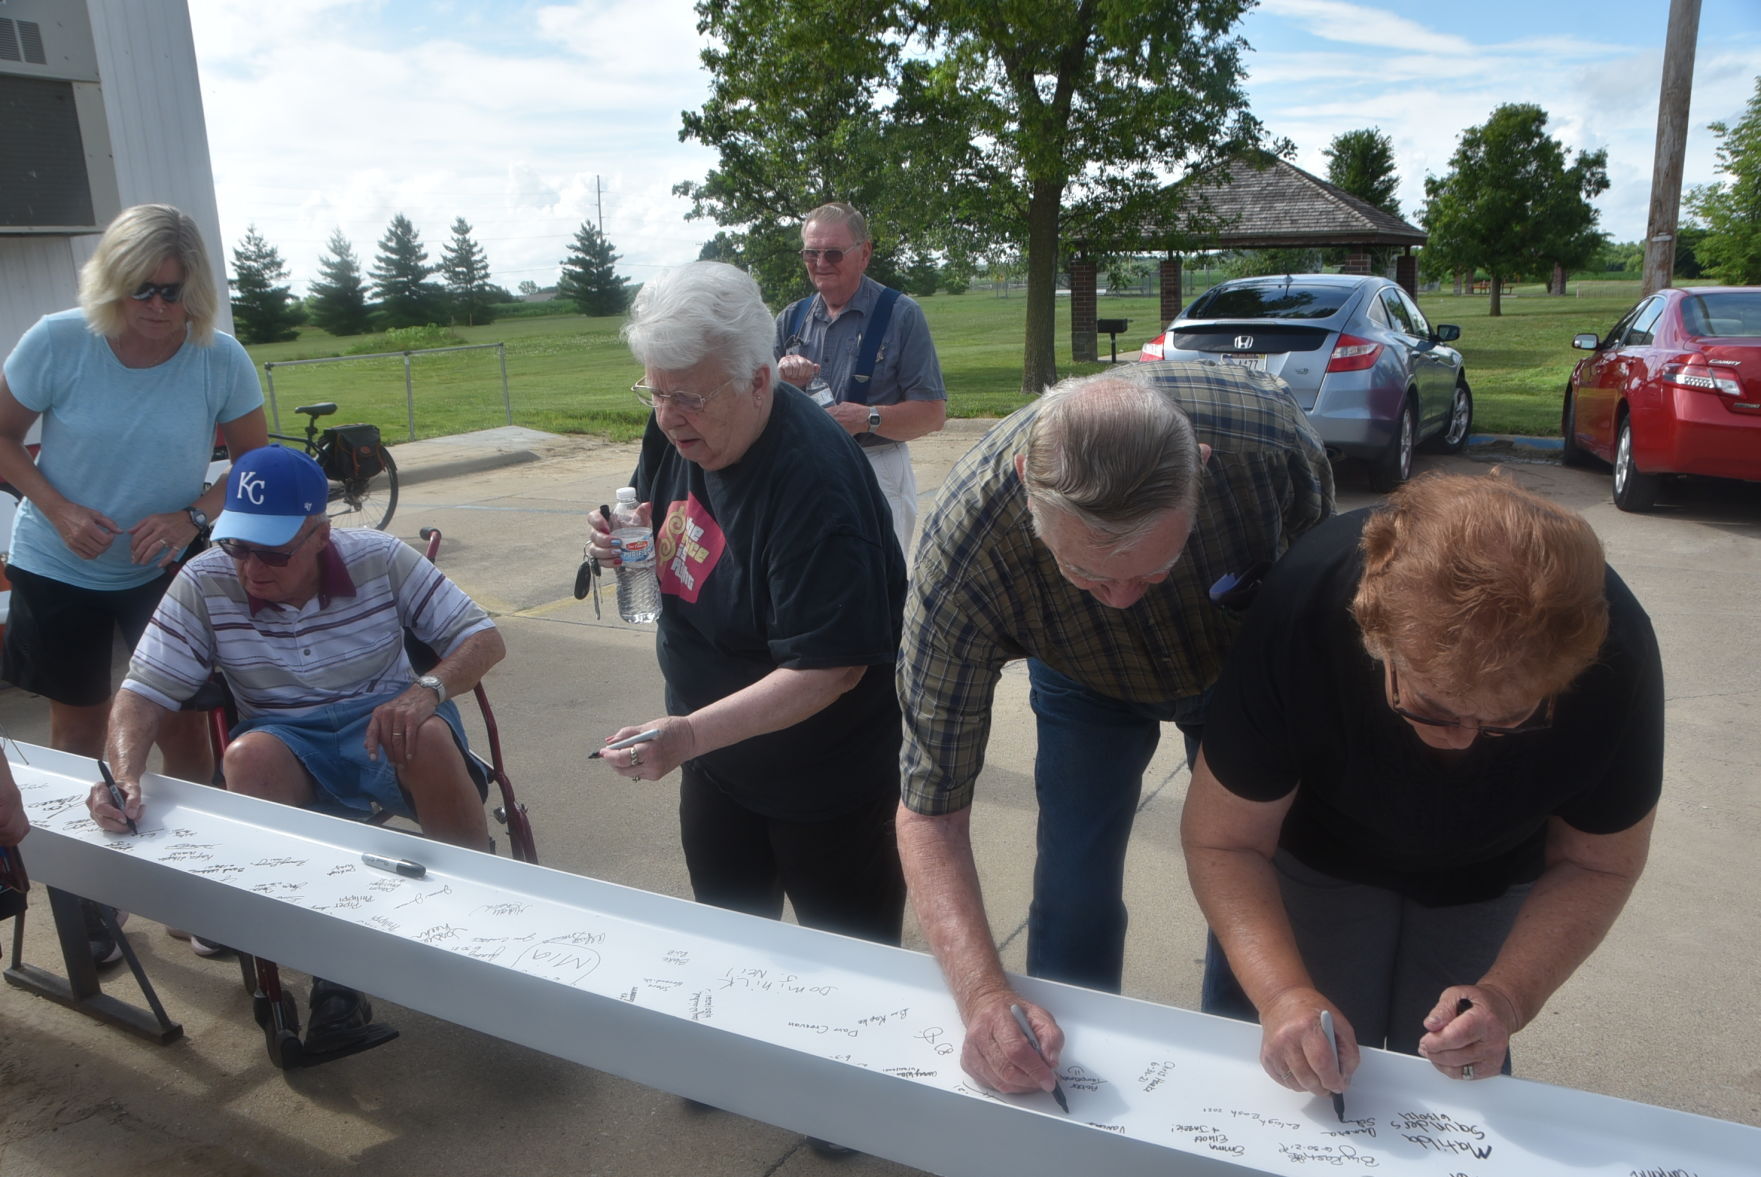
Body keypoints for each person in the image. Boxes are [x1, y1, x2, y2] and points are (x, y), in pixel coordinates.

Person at [896, 362, 1333, 1098]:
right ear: (1023, 486)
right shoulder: (961, 553)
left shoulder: (1269, 443)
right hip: (1079, 677)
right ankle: (1049, 1057)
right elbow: (929, 804)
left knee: (1249, 865)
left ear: (1199, 468)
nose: (1122, 599)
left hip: (1236, 667)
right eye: (1087, 572)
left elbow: (1323, 594)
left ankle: (1244, 1069)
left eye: (1153, 569)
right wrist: (980, 997)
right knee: (1072, 880)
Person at [1181, 472, 1662, 1100]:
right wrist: (1282, 995)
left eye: (1508, 719)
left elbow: (1599, 863)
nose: (1462, 743)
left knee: (1459, 1061)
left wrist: (1507, 998)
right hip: (1322, 847)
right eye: (1431, 709)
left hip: (1492, 865)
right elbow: (1224, 840)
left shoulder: (1613, 652)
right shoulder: (1306, 606)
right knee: (1311, 1064)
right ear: (1375, 640)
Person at [88, 444, 506, 1058]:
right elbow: (143, 691)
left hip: (387, 722)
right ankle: (332, 975)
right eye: (238, 545)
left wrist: (425, 692)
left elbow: (482, 637)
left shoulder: (381, 558)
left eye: (273, 551)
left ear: (320, 535)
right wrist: (122, 775)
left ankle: (481, 916)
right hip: (289, 738)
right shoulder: (204, 580)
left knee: (425, 731)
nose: (252, 568)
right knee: (244, 758)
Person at [589, 260, 908, 953]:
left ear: (759, 379)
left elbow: (830, 669)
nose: (669, 418)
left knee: (853, 978)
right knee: (733, 957)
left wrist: (685, 736)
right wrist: (622, 542)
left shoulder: (812, 486)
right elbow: (656, 513)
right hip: (715, 761)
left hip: (823, 783)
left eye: (689, 398)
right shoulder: (680, 420)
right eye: (654, 393)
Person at [0, 203, 269, 965]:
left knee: (185, 726)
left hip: (163, 566)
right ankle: (89, 905)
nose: (158, 309)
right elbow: (1, 436)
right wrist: (54, 507)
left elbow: (252, 462)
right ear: (111, 284)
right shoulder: (59, 340)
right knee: (79, 733)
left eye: (175, 293)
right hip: (61, 564)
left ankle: (194, 892)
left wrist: (192, 515)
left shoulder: (219, 356)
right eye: (141, 291)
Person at [774, 202, 946, 556]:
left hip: (876, 466)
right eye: (811, 253)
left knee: (879, 586)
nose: (821, 264)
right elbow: (756, 408)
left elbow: (932, 413)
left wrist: (868, 418)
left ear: (864, 253)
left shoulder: (901, 315)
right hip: (802, 469)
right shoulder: (790, 320)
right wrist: (781, 383)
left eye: (834, 254)